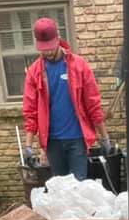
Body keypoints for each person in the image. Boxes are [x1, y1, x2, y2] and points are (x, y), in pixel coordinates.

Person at [23, 17, 109, 181]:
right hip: (52, 142)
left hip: (77, 138)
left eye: (50, 47)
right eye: (43, 49)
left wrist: (104, 137)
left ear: (58, 39)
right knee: (60, 189)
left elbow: (93, 104)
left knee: (78, 186)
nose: (47, 52)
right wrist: (28, 145)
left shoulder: (79, 66)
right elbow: (30, 111)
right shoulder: (35, 72)